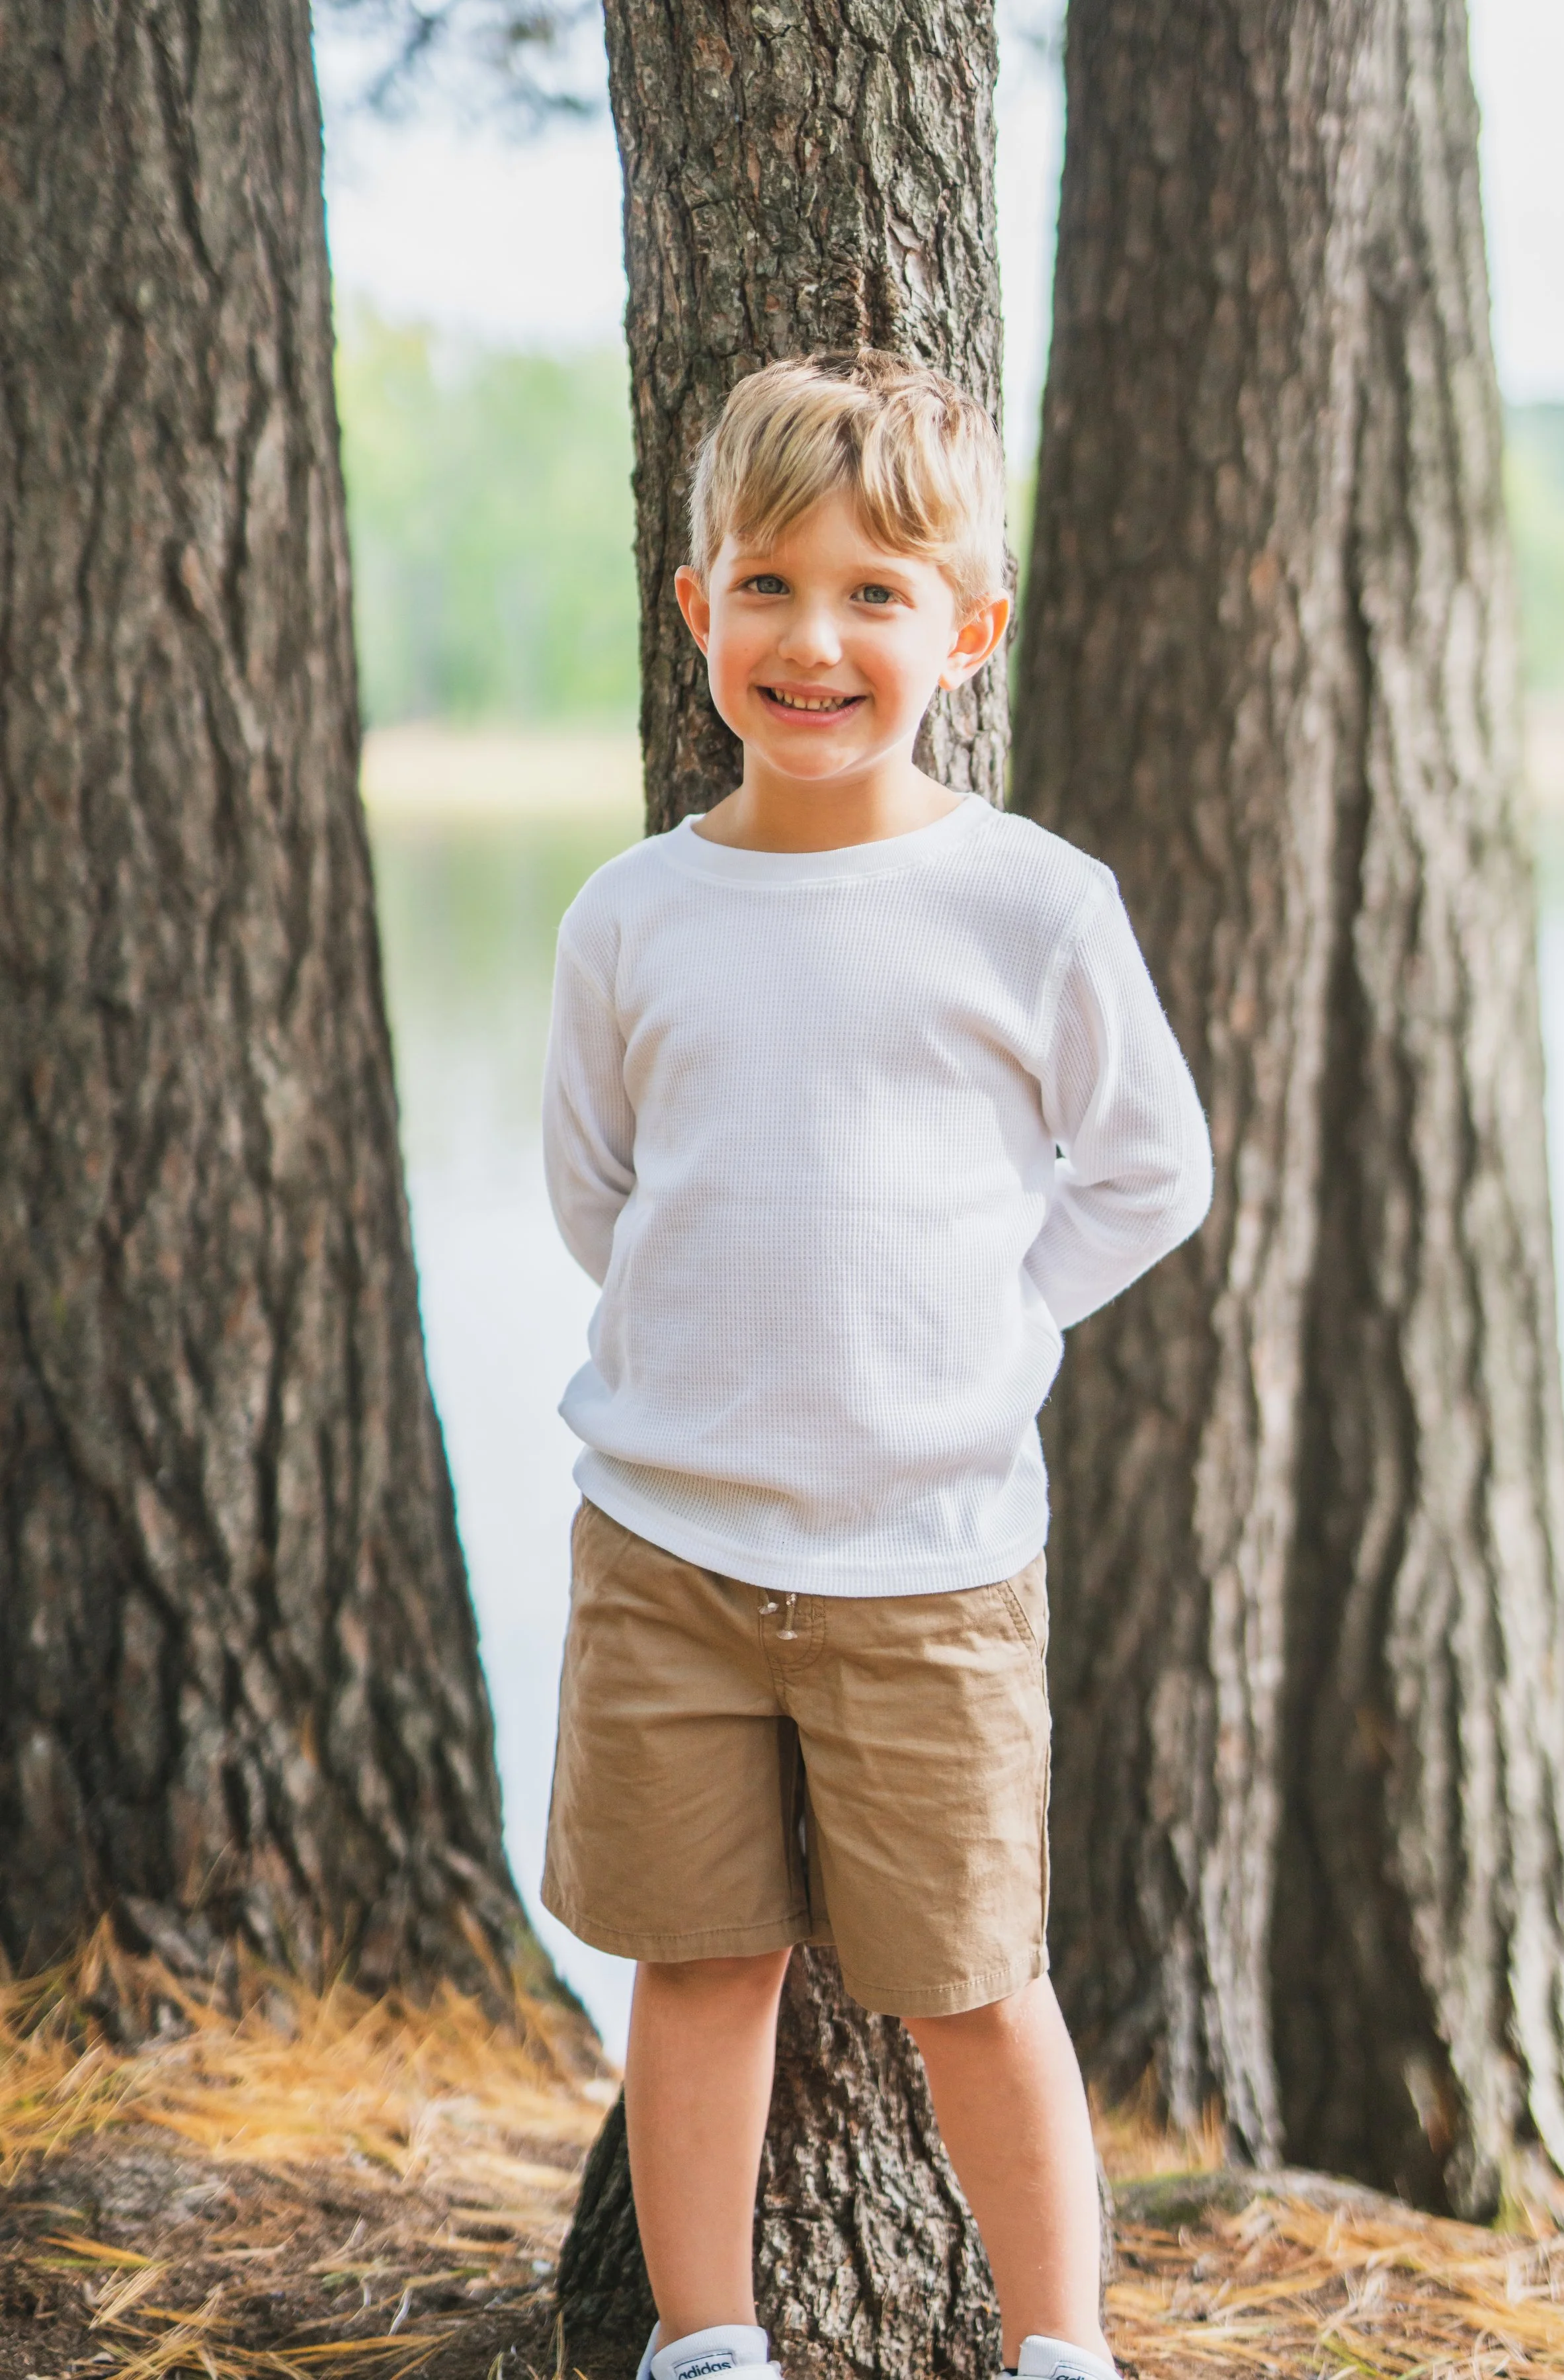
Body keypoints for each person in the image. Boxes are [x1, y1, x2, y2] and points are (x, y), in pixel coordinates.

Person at [540, 349, 1212, 2380]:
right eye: (765, 585)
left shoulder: (1028, 904)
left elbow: (1148, 1171)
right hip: (666, 1547)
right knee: (702, 1958)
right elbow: (601, 1192)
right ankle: (707, 2339)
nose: (811, 638)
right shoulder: (634, 914)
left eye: (872, 593)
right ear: (696, 610)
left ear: (964, 630)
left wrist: (989, 1320)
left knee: (971, 1976)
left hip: (925, 1561)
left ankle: (1059, 2340)